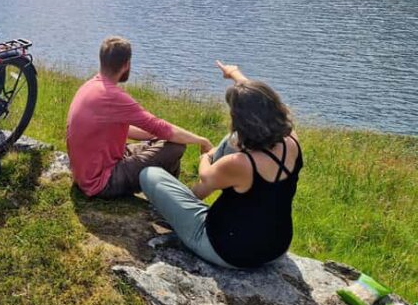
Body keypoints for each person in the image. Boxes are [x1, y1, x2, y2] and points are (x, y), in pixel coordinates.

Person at [139, 61, 303, 269]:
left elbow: (206, 176)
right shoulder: (292, 140)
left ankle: (187, 211)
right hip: (276, 248)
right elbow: (261, 102)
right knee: (231, 139)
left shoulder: (240, 163)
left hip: (228, 250)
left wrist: (205, 157)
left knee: (149, 174)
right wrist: (235, 75)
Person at [66, 36, 213, 199]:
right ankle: (169, 203)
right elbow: (161, 127)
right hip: (101, 182)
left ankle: (166, 197)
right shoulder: (113, 96)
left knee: (166, 140)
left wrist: (156, 135)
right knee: (176, 147)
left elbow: (131, 129)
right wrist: (202, 141)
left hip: (86, 173)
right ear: (126, 65)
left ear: (102, 61)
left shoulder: (90, 86)